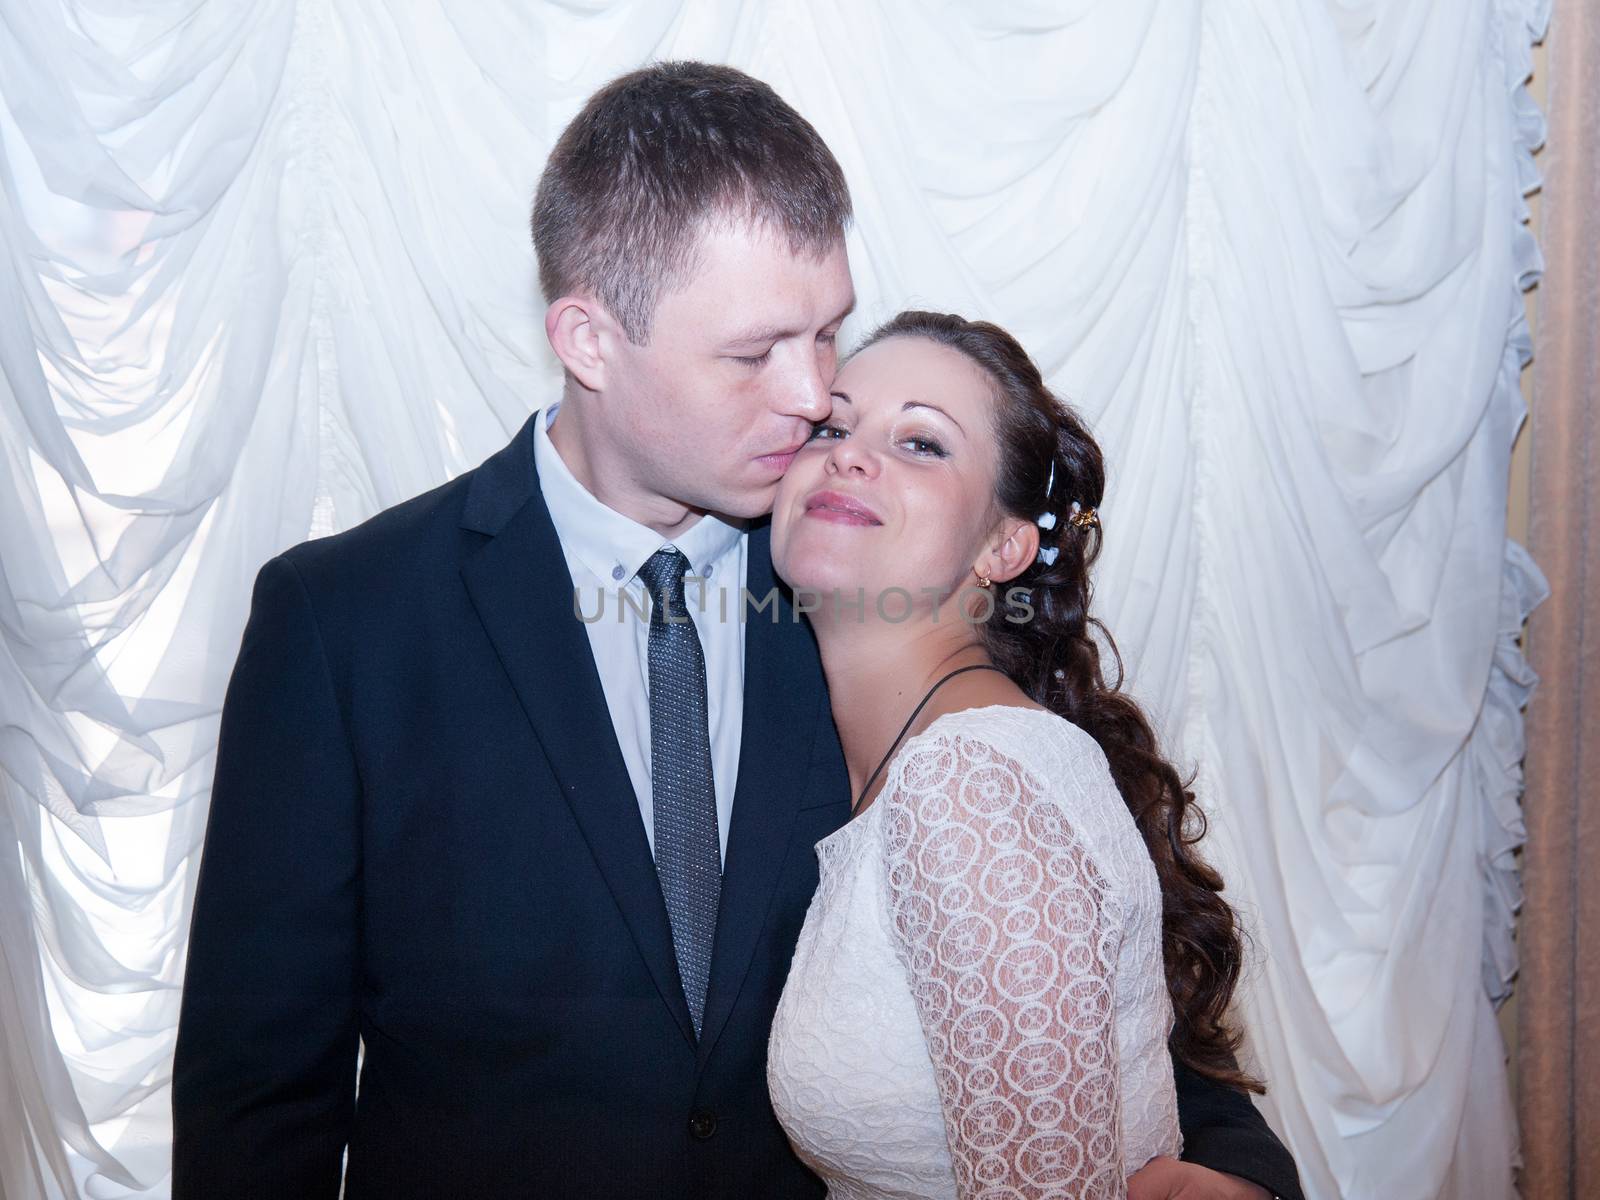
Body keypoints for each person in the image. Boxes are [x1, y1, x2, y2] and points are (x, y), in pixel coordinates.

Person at [171, 62, 1301, 1200]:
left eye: (828, 333)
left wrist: (1239, 1176)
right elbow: (258, 1103)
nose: (816, 393)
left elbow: (1090, 987)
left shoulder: (869, 590)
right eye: (757, 352)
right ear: (590, 340)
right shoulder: (346, 623)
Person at [765, 311, 1299, 1200]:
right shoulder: (907, 752)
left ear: (1005, 545)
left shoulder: (968, 784)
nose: (850, 455)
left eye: (923, 443)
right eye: (833, 425)